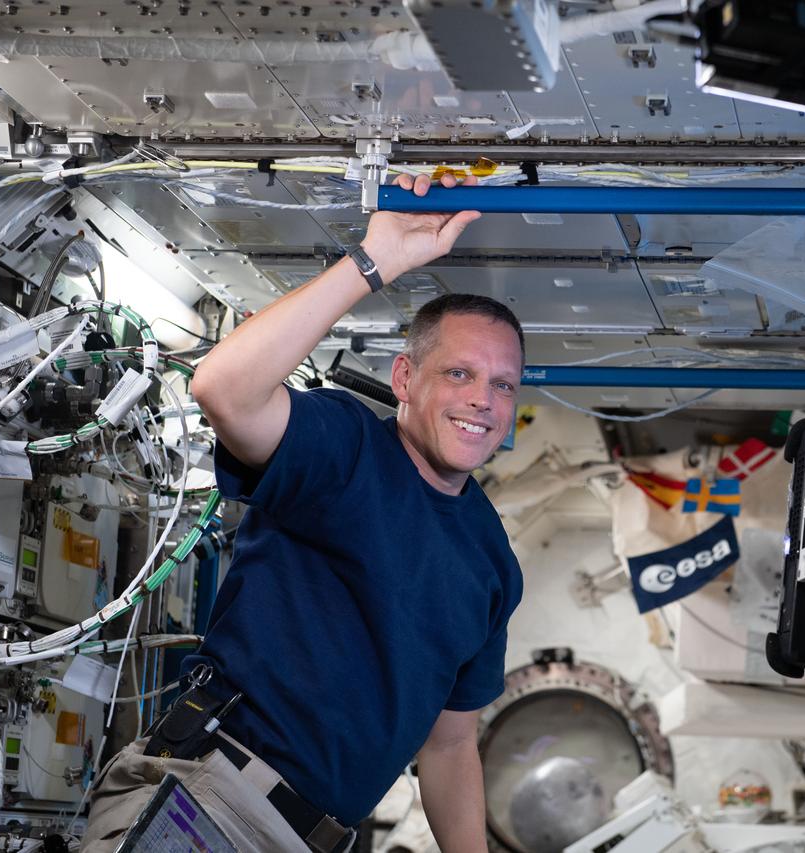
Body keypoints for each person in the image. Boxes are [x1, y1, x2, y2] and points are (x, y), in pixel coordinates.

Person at [81, 172, 524, 853]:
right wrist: (373, 263)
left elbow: (450, 744)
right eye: (458, 373)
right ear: (405, 379)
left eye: (503, 384)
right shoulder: (344, 447)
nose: (482, 400)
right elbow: (223, 389)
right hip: (214, 801)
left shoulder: (491, 562)